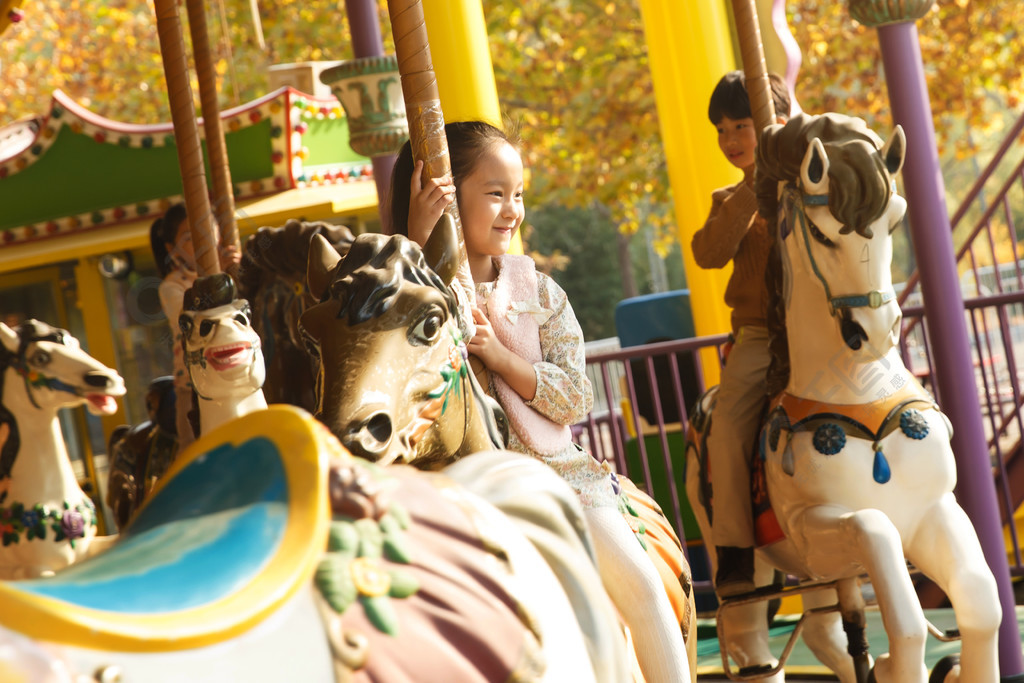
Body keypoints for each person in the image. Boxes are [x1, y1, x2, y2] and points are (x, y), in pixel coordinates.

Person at [392, 121, 689, 683]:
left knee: (644, 586)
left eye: (518, 194)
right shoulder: (420, 291)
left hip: (557, 478)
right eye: (496, 193)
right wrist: (418, 245)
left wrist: (503, 359)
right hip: (459, 483)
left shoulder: (541, 293)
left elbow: (576, 396)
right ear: (445, 200)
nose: (513, 210)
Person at [690, 70, 791, 597]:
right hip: (760, 334)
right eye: (722, 130)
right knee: (727, 425)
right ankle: (732, 544)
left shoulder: (805, 184)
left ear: (772, 123)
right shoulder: (729, 196)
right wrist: (753, 187)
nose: (731, 140)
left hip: (816, 325)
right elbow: (709, 252)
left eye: (742, 126)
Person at [149, 203, 238, 449]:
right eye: (190, 238)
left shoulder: (234, 269)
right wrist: (217, 275)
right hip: (195, 384)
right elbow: (192, 323)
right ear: (173, 250)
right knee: (191, 453)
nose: (204, 241)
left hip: (239, 372)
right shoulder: (171, 286)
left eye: (210, 230)